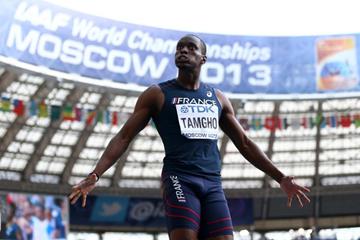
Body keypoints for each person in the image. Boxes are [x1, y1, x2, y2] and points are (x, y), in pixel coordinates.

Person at [69, 34, 311, 240]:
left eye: (191, 48)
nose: (183, 50)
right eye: (179, 48)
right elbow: (124, 136)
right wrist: (95, 174)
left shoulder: (217, 98)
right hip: (179, 178)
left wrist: (280, 178)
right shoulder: (158, 94)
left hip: (212, 183)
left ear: (202, 59)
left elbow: (245, 143)